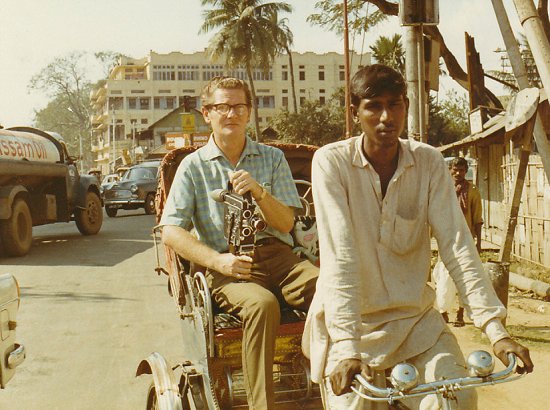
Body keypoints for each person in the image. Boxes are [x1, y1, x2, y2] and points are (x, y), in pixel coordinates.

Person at [302, 64, 533, 409]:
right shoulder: (331, 163)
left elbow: (457, 246)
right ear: (355, 112)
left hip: (417, 326)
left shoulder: (428, 162)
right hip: (352, 329)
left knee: (456, 398)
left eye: (395, 104)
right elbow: (341, 258)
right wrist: (348, 347)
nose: (385, 117)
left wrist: (496, 331)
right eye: (373, 106)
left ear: (407, 107)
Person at [160, 76, 318, 410]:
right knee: (262, 305)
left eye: (239, 106)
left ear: (248, 112)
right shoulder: (193, 167)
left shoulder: (272, 158)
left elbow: (288, 223)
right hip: (228, 265)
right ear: (208, 113)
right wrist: (218, 263)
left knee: (332, 288)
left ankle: (337, 386)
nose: (231, 113)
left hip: (281, 257)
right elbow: (171, 231)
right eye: (222, 107)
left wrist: (260, 192)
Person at [435, 157, 484, 326]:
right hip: (446, 239)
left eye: (462, 170)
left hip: (466, 240)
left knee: (465, 276)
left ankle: (460, 313)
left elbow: (477, 218)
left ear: (466, 171)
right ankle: (443, 312)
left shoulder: (472, 191)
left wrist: (478, 243)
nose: (458, 173)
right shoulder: (442, 189)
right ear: (450, 169)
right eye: (455, 169)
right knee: (444, 276)